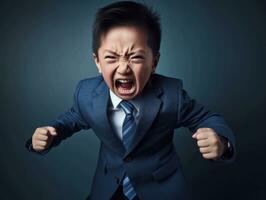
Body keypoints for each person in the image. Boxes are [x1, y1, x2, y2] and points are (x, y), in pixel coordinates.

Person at [25, 1, 235, 200]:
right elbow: (70, 119)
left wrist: (221, 142)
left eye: (135, 57)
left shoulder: (172, 95)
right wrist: (50, 134)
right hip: (107, 189)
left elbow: (207, 118)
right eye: (111, 58)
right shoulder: (86, 93)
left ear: (154, 62)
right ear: (97, 62)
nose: (124, 68)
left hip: (161, 190)